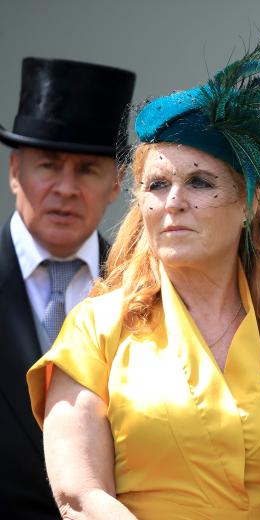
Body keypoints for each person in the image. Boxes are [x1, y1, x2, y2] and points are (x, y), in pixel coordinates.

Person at [26, 34, 260, 519]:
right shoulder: (96, 330)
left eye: (200, 182)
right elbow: (80, 495)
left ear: (251, 204)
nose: (173, 203)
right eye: (158, 185)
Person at [0, 57, 135, 518]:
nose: (65, 187)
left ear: (117, 182)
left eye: (88, 170)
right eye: (49, 165)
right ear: (15, 171)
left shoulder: (150, 289)